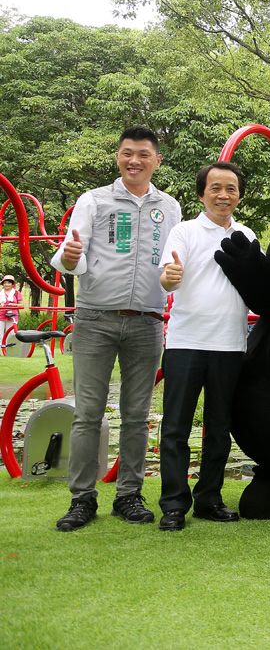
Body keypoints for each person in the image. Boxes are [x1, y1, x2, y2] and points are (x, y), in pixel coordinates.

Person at [50, 126, 182, 531]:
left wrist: (175, 277)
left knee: (137, 415)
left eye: (143, 154)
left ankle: (129, 495)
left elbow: (174, 263)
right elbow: (70, 257)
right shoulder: (93, 200)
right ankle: (82, 498)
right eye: (127, 153)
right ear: (118, 156)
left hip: (146, 322)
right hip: (94, 318)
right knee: (87, 414)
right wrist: (71, 257)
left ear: (156, 160)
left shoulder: (170, 208)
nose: (134, 161)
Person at [155, 161, 254, 531]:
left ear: (238, 195)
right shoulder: (184, 232)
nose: (223, 195)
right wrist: (170, 276)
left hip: (230, 344)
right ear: (201, 194)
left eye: (230, 188)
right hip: (185, 343)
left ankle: (209, 498)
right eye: (215, 188)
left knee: (219, 426)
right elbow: (167, 277)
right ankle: (174, 504)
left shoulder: (246, 234)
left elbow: (256, 284)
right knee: (176, 426)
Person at [1, 274, 22, 353]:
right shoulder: (1, 293)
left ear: (13, 284)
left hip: (12, 315)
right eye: (5, 282)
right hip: (1, 314)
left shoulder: (16, 293)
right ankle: (1, 350)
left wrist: (14, 305)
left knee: (11, 333)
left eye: (9, 282)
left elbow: (21, 304)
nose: (7, 284)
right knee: (0, 333)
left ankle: (10, 350)